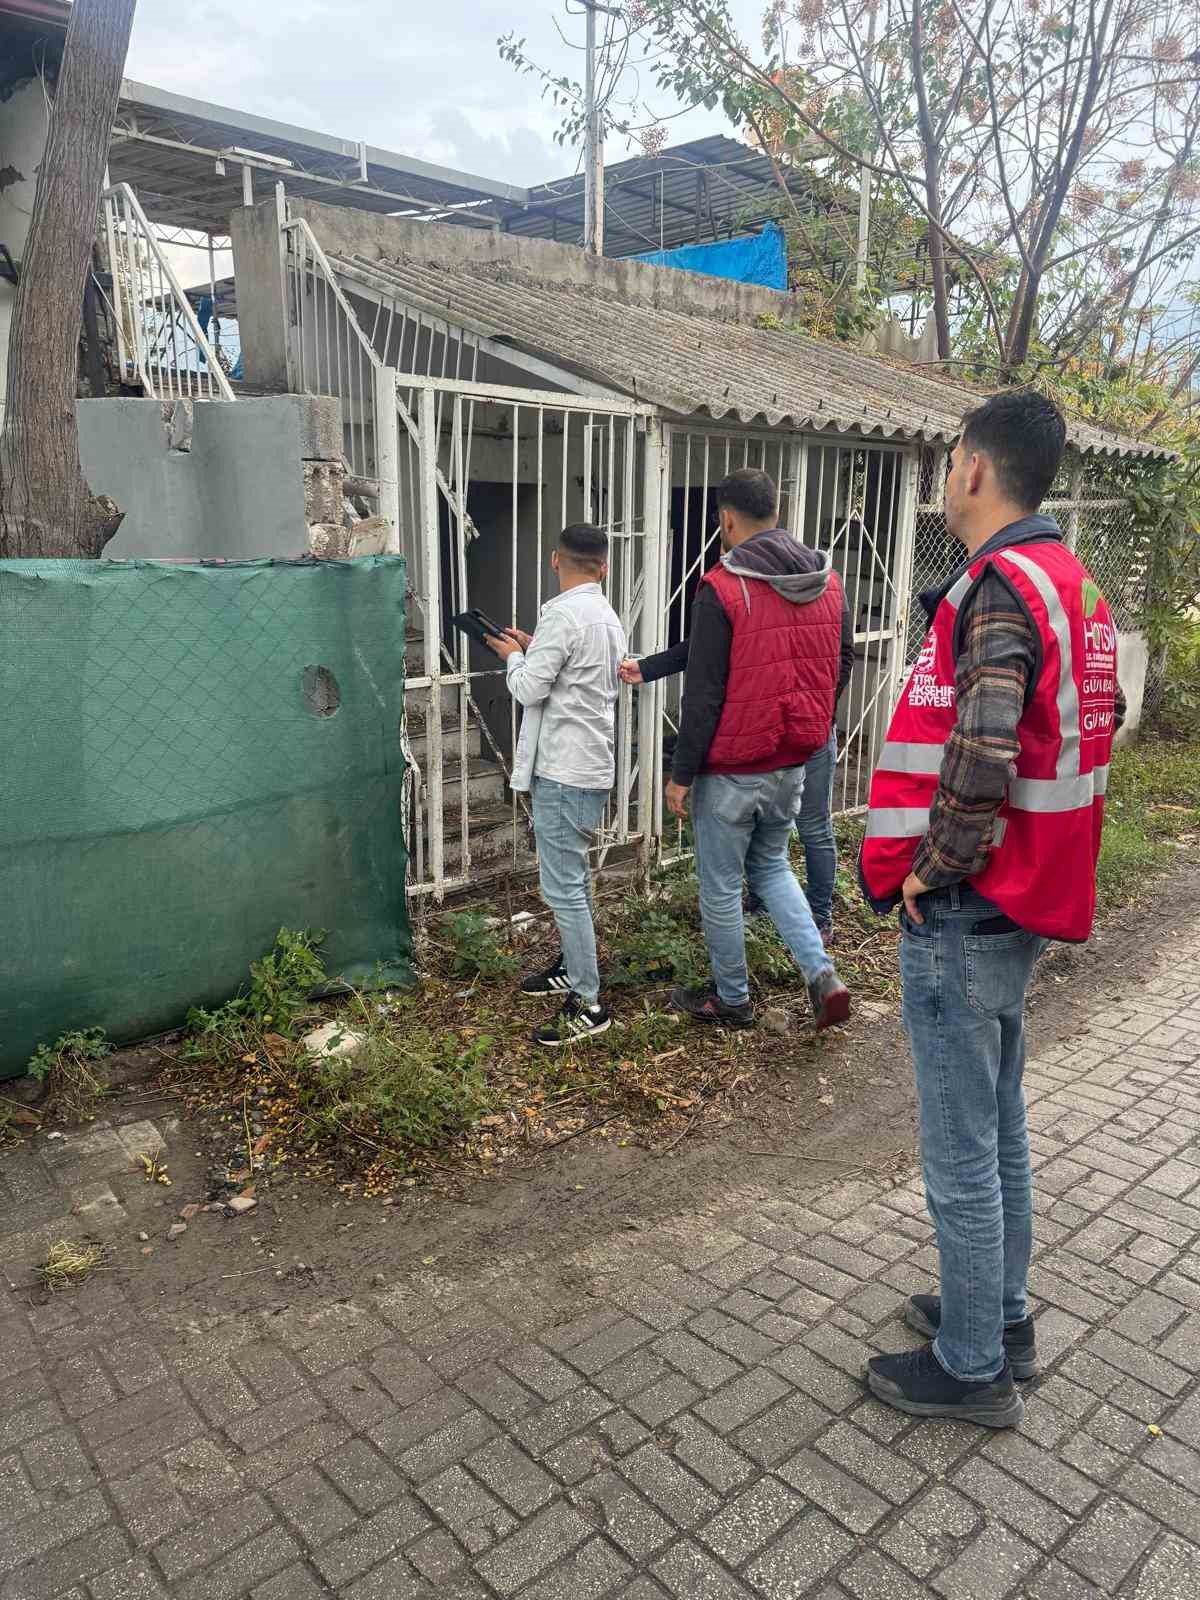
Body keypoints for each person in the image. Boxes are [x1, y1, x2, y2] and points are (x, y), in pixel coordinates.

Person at [860, 389, 1124, 1428]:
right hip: (1020, 901)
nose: (944, 471)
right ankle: (999, 1313)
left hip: (966, 907)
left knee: (961, 1147)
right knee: (1001, 1120)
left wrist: (931, 865)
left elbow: (987, 740)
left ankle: (974, 1368)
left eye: (949, 455)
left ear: (975, 467)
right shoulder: (1068, 582)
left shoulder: (1002, 585)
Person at [659, 467, 852, 1031]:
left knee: (720, 885)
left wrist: (681, 772)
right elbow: (840, 667)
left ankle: (733, 999)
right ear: (778, 511)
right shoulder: (827, 580)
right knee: (770, 865)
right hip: (792, 759)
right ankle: (822, 975)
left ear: (726, 518)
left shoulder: (724, 587)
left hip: (733, 770)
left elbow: (703, 693)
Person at [620, 570, 855, 942]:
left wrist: (820, 707)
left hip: (805, 731)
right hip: (791, 730)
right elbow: (703, 649)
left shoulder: (817, 585)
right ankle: (767, 911)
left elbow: (843, 655)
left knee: (810, 827)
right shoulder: (768, 588)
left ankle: (819, 919)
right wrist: (650, 667)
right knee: (773, 844)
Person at [485, 523, 627, 1046]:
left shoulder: (563, 613)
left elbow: (526, 688)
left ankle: (588, 1003)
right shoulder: (605, 615)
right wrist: (533, 646)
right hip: (590, 765)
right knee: (575, 881)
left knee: (563, 889)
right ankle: (572, 968)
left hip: (565, 770)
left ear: (554, 560)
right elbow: (572, 674)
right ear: (604, 567)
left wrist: (512, 656)